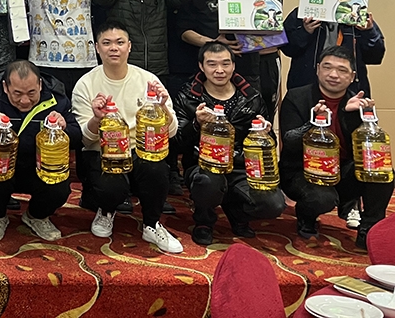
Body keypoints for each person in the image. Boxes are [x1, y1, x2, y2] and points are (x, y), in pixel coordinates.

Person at [71, 21, 184, 254]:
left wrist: (163, 107)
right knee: (110, 184)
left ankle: (152, 224)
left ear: (129, 47)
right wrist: (96, 118)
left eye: (120, 42)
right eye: (107, 43)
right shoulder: (85, 84)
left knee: (157, 168)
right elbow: (83, 140)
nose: (114, 48)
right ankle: (106, 211)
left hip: (140, 149)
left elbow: (172, 132)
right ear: (97, 48)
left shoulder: (148, 80)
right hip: (104, 152)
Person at [0, 60, 80, 241]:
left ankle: (36, 216)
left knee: (59, 187)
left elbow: (78, 137)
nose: (25, 100)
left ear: (40, 85)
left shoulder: (56, 98)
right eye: (17, 94)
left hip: (39, 167)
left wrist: (65, 127)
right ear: (5, 87)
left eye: (31, 93)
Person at [279, 46, 394, 249]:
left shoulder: (356, 102)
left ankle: (369, 229)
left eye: (342, 70)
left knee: (381, 172)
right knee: (322, 198)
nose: (333, 74)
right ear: (317, 69)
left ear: (352, 76)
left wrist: (352, 115)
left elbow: (364, 150)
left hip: (341, 172)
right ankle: (306, 218)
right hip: (302, 172)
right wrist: (313, 123)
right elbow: (290, 142)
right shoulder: (297, 97)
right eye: (327, 67)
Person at [173, 42, 285, 246]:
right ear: (201, 66)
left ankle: (237, 212)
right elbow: (176, 142)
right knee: (208, 183)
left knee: (273, 205)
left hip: (242, 165)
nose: (219, 70)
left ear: (233, 65)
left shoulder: (251, 96)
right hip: (203, 165)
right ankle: (204, 221)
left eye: (225, 64)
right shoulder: (188, 96)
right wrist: (196, 124)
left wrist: (264, 134)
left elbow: (271, 142)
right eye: (212, 64)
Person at [282, 0, 385, 96]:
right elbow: (287, 48)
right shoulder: (302, 13)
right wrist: (305, 32)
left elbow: (375, 56)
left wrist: (368, 32)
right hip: (306, 85)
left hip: (351, 89)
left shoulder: (359, 16)